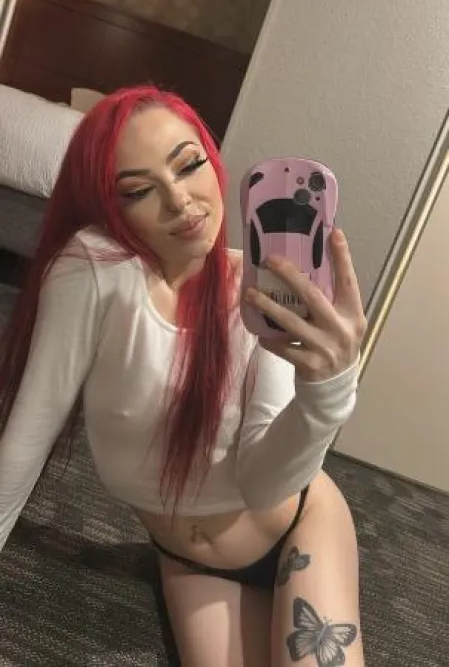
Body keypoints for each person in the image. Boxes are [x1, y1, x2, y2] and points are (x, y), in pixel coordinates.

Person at [0, 85, 367, 667]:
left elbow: (263, 486)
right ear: (110, 207)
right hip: (190, 563)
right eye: (139, 190)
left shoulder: (259, 296)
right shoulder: (94, 270)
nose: (180, 201)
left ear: (214, 162)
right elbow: (27, 438)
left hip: (301, 523)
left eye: (189, 164)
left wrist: (327, 391)